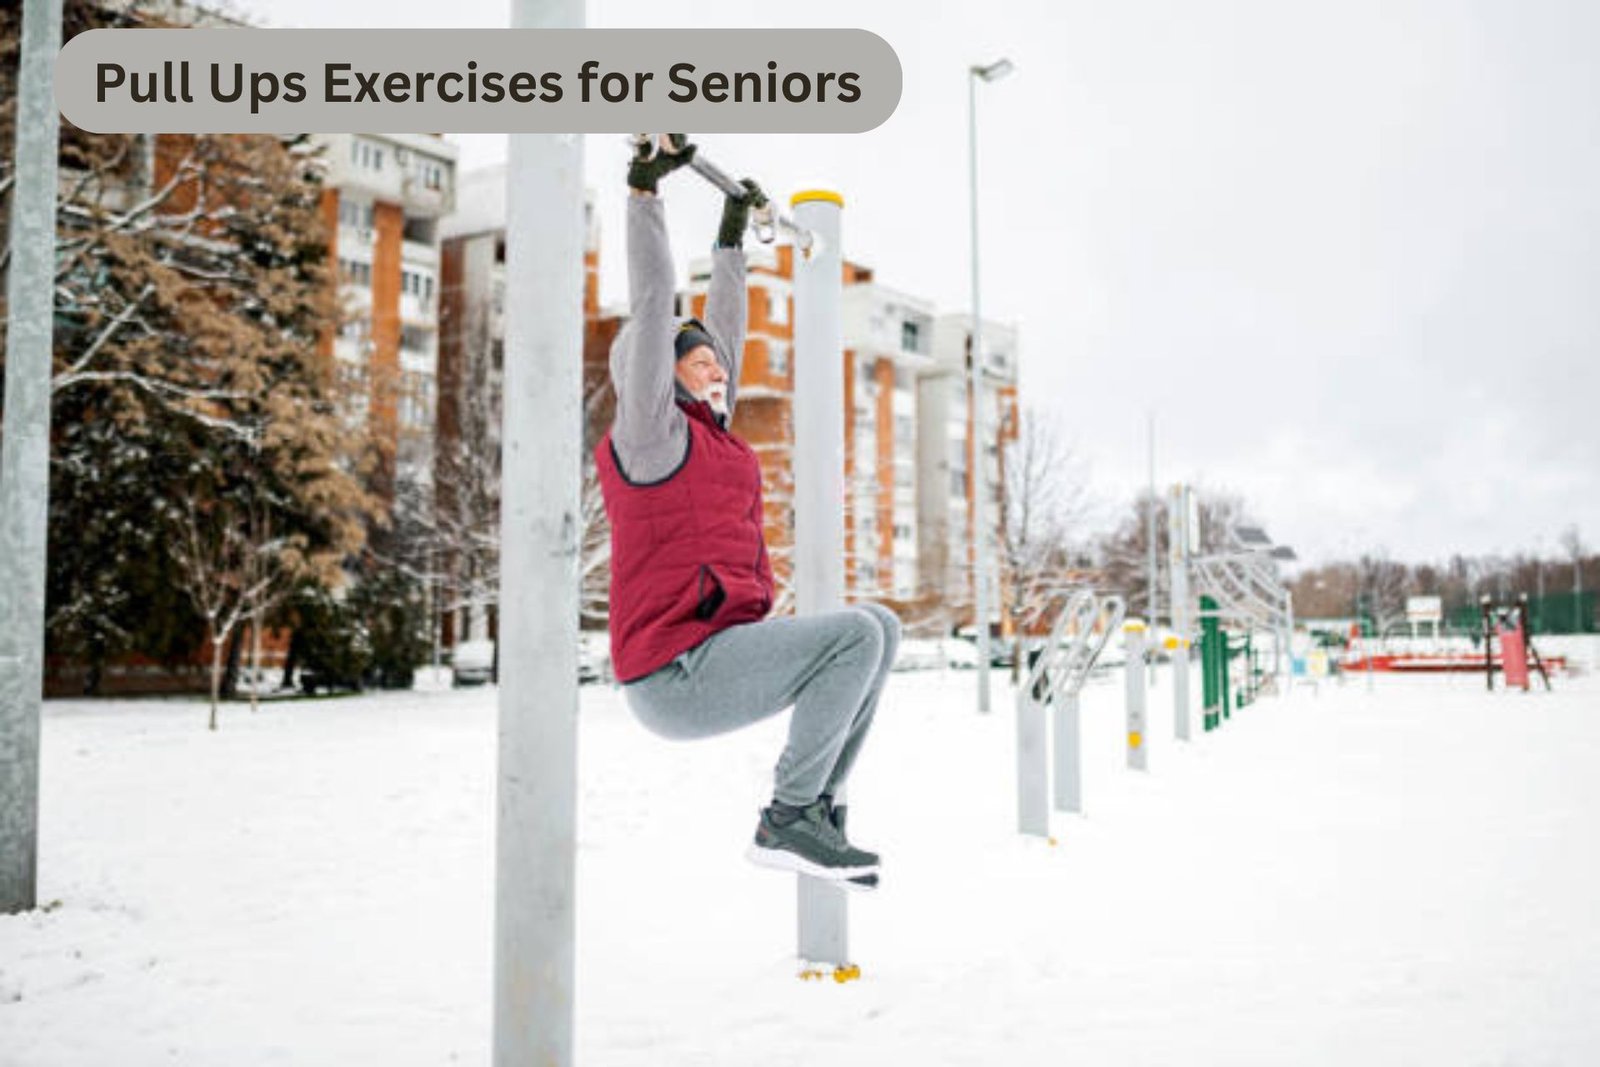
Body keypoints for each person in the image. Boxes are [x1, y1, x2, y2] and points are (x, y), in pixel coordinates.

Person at [596, 135, 901, 888]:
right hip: (673, 671)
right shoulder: (649, 436)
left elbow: (719, 329)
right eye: (693, 358)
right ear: (657, 374)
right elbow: (651, 306)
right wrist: (645, 195)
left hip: (717, 646)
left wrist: (733, 236)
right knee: (854, 636)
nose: (715, 364)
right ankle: (789, 814)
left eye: (714, 358)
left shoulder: (713, 437)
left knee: (880, 628)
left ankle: (816, 810)